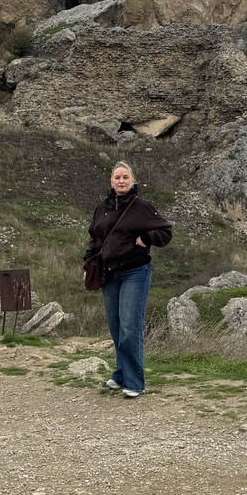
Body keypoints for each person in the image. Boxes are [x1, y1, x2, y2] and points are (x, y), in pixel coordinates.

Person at [84, 161, 173, 398]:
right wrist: (87, 264)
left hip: (135, 272)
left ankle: (135, 382)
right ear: (111, 181)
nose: (121, 181)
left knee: (129, 325)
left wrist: (147, 237)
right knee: (115, 326)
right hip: (108, 273)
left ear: (132, 181)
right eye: (117, 177)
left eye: (125, 177)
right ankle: (121, 374)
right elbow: (94, 240)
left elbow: (166, 232)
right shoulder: (102, 208)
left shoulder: (141, 207)